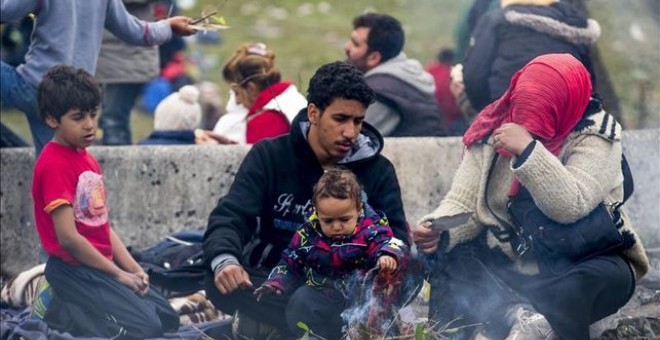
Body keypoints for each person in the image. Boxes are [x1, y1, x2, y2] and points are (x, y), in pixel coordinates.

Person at [413, 54, 649, 340]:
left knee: (586, 283)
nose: (530, 120)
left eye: (542, 111)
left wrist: (528, 151)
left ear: (565, 103)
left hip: (584, 259)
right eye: (524, 108)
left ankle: (530, 321)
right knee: (450, 261)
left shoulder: (596, 134)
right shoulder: (493, 129)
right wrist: (438, 229)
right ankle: (513, 317)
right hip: (516, 265)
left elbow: (571, 205)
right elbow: (465, 203)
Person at [202, 61, 409, 339]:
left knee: (312, 303)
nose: (351, 132)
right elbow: (231, 216)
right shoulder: (270, 156)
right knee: (218, 281)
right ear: (314, 112)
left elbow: (396, 235)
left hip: (344, 290)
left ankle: (272, 326)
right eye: (340, 119)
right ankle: (297, 325)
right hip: (277, 276)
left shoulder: (378, 171)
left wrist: (387, 259)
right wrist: (226, 262)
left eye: (358, 121)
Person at [31, 65, 179, 338]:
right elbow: (68, 239)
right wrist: (118, 276)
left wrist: (134, 268)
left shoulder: (86, 157)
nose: (89, 124)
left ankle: (76, 306)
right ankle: (61, 310)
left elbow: (101, 226)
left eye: (93, 114)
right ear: (52, 120)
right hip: (72, 269)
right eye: (78, 117)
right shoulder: (54, 163)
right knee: (147, 327)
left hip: (99, 265)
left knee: (168, 318)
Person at [0, 0, 196, 155]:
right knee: (56, 169)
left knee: (54, 171)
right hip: (73, 98)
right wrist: (168, 27)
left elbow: (6, 11)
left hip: (34, 87)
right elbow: (137, 32)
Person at [254, 169, 405, 339]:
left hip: (360, 297)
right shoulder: (308, 234)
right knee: (300, 301)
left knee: (378, 305)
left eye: (344, 219)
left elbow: (391, 242)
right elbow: (290, 261)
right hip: (323, 294)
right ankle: (313, 336)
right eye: (328, 221)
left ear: (358, 209)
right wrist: (275, 283)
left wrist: (387, 255)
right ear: (317, 213)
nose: (336, 227)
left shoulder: (370, 229)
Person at [461, 0, 601, 112]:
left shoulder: (495, 20)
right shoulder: (575, 24)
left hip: (511, 116)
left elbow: (474, 75)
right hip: (565, 118)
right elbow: (589, 81)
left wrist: (490, 111)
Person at [344, 13, 447, 137]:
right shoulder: (404, 78)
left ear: (374, 58)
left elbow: (352, 140)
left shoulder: (380, 93)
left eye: (356, 44)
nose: (347, 47)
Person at [207, 42, 307, 145]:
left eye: (237, 92)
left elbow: (258, 159)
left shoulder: (266, 120)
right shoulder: (292, 101)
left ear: (251, 89)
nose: (237, 101)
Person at [95, 0, 163, 146]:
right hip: (112, 52)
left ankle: (117, 167)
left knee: (113, 122)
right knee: (111, 121)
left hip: (125, 56)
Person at [426, 48, 467, 136]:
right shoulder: (453, 75)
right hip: (450, 121)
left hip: (431, 118)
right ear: (452, 60)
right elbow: (453, 106)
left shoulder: (430, 70)